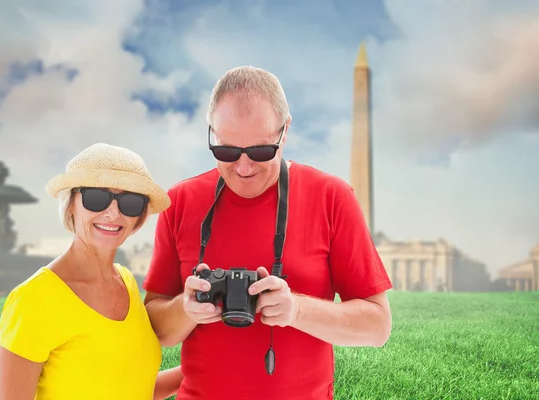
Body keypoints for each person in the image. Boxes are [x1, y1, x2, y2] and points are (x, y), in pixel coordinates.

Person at [142, 66, 393, 400]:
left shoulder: (332, 197)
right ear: (211, 134)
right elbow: (156, 330)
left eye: (261, 151)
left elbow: (377, 327)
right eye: (227, 151)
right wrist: (185, 309)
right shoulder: (181, 201)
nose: (243, 168)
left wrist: (296, 310)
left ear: (285, 131)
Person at [0, 143, 183, 400]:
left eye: (130, 202)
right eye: (97, 198)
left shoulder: (126, 282)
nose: (112, 213)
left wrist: (201, 367)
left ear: (139, 216)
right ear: (70, 203)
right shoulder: (34, 299)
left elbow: (130, 388)